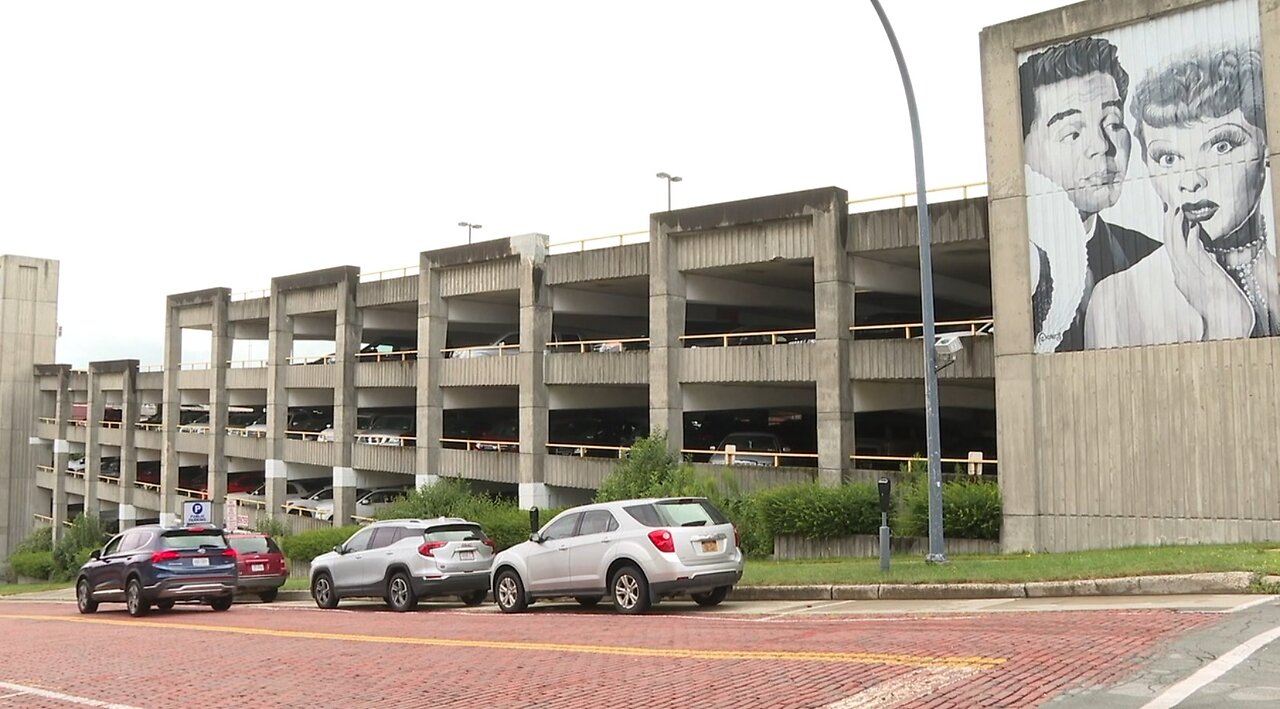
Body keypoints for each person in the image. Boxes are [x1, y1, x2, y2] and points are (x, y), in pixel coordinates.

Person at [1124, 47, 1279, 341]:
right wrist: (1225, 322)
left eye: (1222, 146)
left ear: (1266, 146)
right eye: (1168, 158)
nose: (1191, 181)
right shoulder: (1120, 297)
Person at [1020, 36, 1161, 352]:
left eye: (1113, 122)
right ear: (1023, 150)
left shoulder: (1155, 261)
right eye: (1072, 132)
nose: (1102, 146)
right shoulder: (1016, 275)